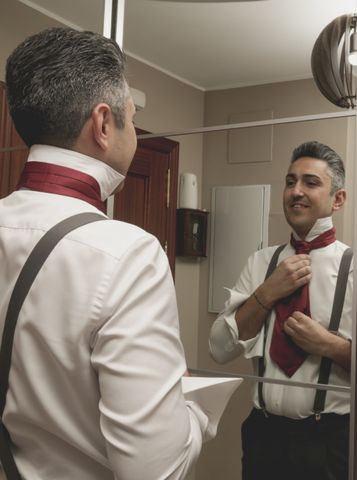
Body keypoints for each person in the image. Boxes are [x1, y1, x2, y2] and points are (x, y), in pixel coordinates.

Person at [0, 27, 216, 479]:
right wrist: (195, 413)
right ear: (103, 124)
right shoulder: (129, 255)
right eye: (132, 118)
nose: (133, 130)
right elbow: (157, 471)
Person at [209, 140, 353, 480]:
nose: (296, 191)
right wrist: (266, 293)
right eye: (290, 182)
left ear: (338, 199)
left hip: (329, 443)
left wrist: (328, 346)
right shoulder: (261, 262)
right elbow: (219, 349)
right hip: (263, 437)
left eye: (311, 182)